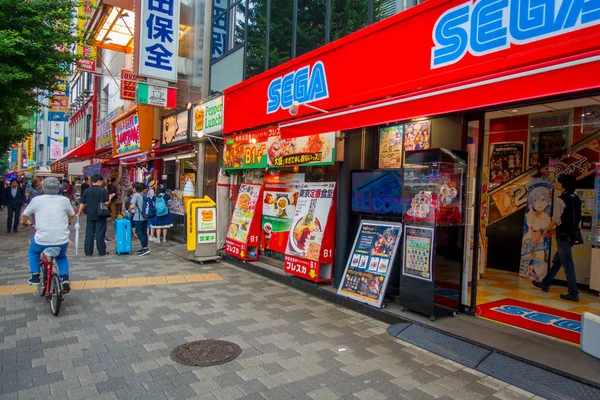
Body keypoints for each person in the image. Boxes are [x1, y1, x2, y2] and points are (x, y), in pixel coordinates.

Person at [533, 175, 582, 302]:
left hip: (563, 236)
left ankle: (573, 292)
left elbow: (556, 219)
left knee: (567, 263)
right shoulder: (576, 198)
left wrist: (547, 229)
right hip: (572, 235)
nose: (557, 184)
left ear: (563, 184)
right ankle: (546, 282)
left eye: (559, 182)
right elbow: (574, 218)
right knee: (558, 260)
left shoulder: (561, 200)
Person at [21, 178, 75, 290]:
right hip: (62, 239)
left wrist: (25, 222)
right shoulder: (64, 200)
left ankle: (35, 275)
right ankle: (65, 278)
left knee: (33, 251)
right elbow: (72, 214)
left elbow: (24, 215)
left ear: (43, 188)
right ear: (58, 188)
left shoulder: (37, 200)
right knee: (61, 257)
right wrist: (69, 221)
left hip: (42, 240)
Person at [78, 174, 115, 257]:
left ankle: (88, 252)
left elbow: (82, 203)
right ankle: (101, 251)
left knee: (89, 233)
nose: (102, 183)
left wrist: (79, 212)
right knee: (100, 233)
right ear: (98, 181)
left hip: (90, 214)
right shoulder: (102, 191)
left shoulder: (87, 191)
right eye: (101, 181)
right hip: (100, 214)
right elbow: (106, 203)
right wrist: (110, 198)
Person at [129, 182, 151, 256]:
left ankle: (145, 248)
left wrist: (128, 210)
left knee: (139, 232)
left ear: (135, 188)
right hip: (144, 217)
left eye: (133, 188)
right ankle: (145, 247)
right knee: (144, 232)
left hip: (138, 217)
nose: (132, 189)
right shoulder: (143, 195)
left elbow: (132, 206)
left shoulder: (136, 195)